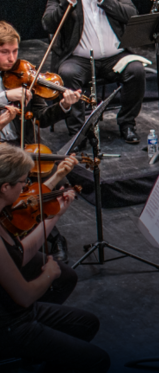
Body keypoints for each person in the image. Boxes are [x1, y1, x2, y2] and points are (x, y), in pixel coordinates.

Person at [0, 144, 110, 372]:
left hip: (18, 313)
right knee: (98, 361)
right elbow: (25, 295)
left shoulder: (3, 213)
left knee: (87, 324)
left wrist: (54, 215)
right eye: (23, 182)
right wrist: (49, 274)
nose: (26, 187)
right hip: (9, 326)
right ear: (5, 187)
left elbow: (19, 254)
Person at [42, 0, 146, 144]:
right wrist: (68, 2)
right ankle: (79, 132)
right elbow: (47, 23)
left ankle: (127, 123)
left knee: (136, 70)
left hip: (115, 57)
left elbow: (132, 15)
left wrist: (104, 0)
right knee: (67, 72)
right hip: (79, 59)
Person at [0, 21, 82, 261]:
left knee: (55, 177)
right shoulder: (10, 89)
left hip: (21, 146)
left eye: (15, 51)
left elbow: (42, 118)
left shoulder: (21, 76)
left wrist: (64, 105)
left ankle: (48, 233)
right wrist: (5, 96)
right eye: (5, 52)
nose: (11, 58)